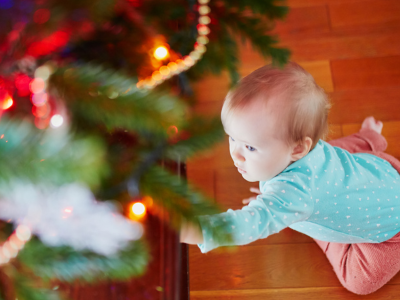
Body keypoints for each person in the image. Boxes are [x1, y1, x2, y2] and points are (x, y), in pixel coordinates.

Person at [180, 62, 400, 295]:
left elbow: (250, 224)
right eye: (232, 138)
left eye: (250, 148)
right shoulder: (308, 150)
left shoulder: (296, 193)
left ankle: (316, 224)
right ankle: (368, 140)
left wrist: (197, 230)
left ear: (297, 149)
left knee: (358, 282)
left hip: (390, 231)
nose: (235, 154)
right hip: (383, 169)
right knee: (334, 155)